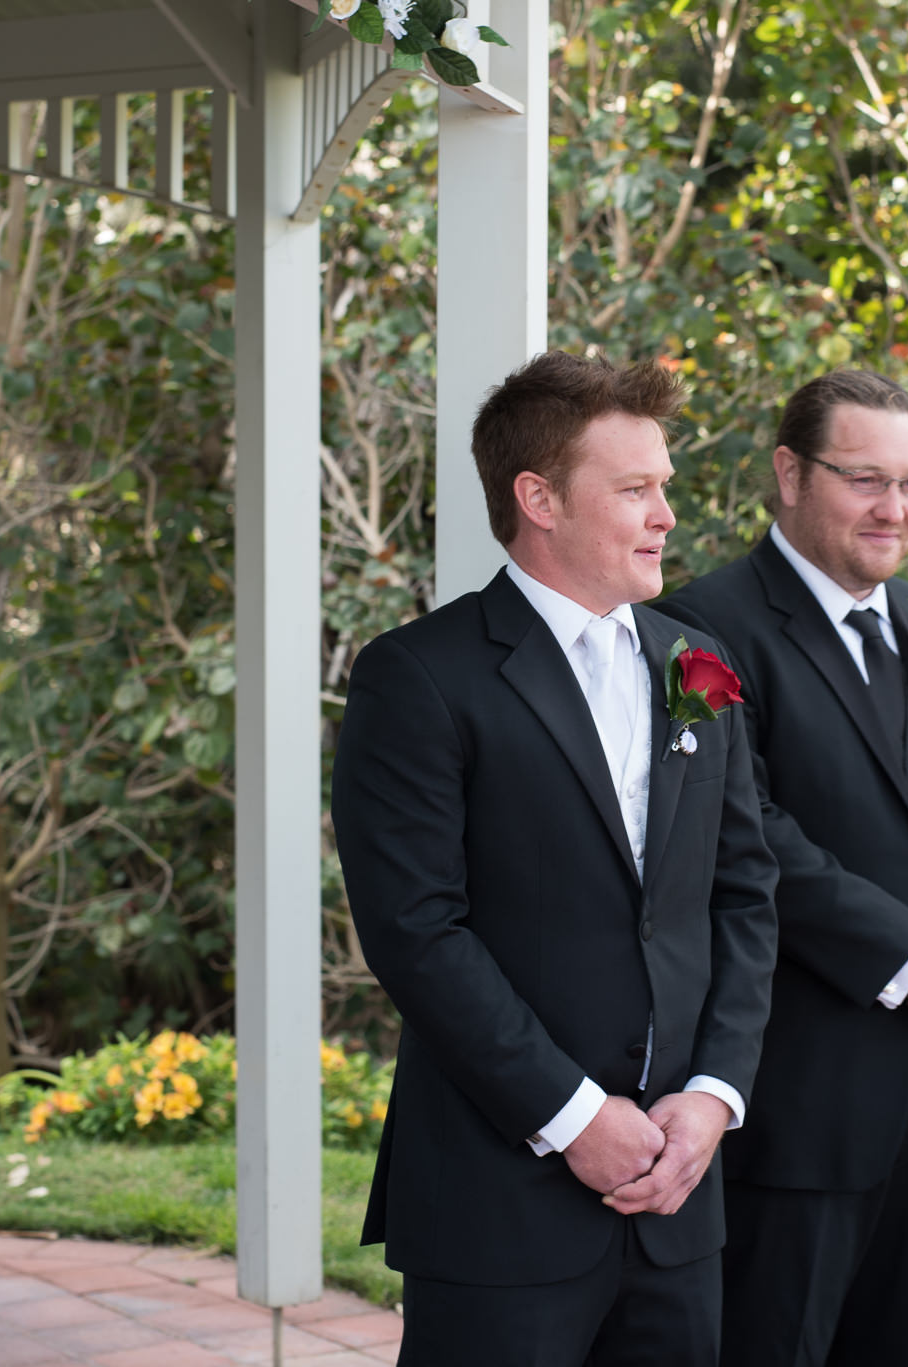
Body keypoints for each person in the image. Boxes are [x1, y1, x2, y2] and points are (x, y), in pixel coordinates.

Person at [331, 352, 779, 1366]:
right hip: (500, 1202)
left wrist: (712, 1096)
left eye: (663, 486)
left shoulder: (694, 667)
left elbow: (744, 895)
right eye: (634, 489)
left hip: (678, 1202)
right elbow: (415, 931)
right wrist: (574, 1117)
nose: (665, 513)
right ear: (538, 497)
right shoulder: (418, 677)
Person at [658, 369, 908, 1367]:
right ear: (788, 473)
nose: (896, 508)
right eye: (865, 478)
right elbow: (741, 833)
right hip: (795, 1093)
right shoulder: (703, 626)